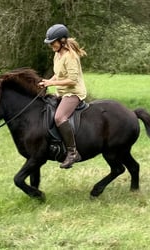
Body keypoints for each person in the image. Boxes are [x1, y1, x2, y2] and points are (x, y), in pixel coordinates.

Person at [39, 24, 87, 169]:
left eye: (53, 42)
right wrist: (47, 82)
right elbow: (59, 74)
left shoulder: (70, 57)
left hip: (73, 93)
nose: (51, 45)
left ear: (62, 40)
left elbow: (73, 80)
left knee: (59, 117)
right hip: (61, 92)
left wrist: (52, 83)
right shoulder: (57, 54)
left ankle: (73, 152)